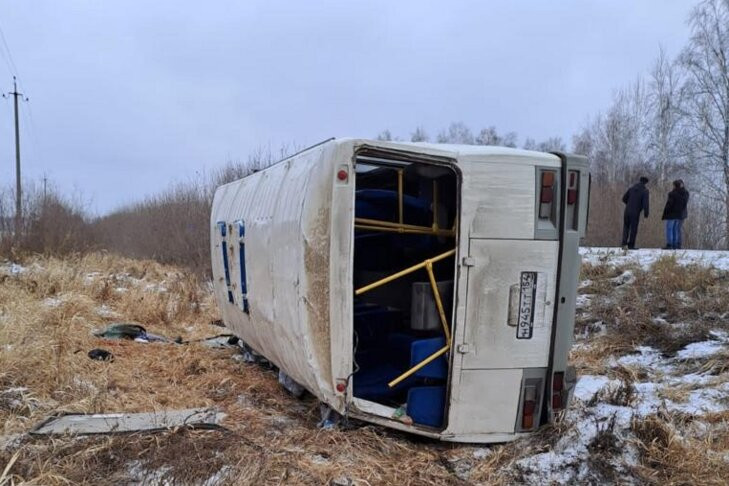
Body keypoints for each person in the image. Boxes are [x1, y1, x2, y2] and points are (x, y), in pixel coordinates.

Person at [621, 176, 650, 250]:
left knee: (626, 227)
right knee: (633, 229)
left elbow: (624, 198)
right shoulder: (645, 191)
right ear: (645, 183)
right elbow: (645, 203)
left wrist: (629, 204)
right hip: (635, 212)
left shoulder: (631, 188)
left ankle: (624, 243)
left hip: (627, 211)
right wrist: (646, 213)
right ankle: (631, 245)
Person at [661, 179, 689, 249]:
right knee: (676, 229)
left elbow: (669, 204)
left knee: (669, 228)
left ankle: (670, 244)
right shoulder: (685, 193)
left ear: (674, 186)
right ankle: (676, 244)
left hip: (672, 214)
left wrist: (666, 212)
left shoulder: (672, 194)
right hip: (680, 214)